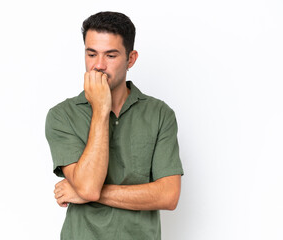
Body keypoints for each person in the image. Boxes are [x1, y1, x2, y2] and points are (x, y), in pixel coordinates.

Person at [45, 11, 184, 240]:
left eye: (110, 55)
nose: (98, 66)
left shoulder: (160, 114)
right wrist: (100, 109)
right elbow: (88, 187)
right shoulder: (62, 116)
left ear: (131, 59)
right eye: (91, 54)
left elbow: (169, 196)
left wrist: (85, 192)